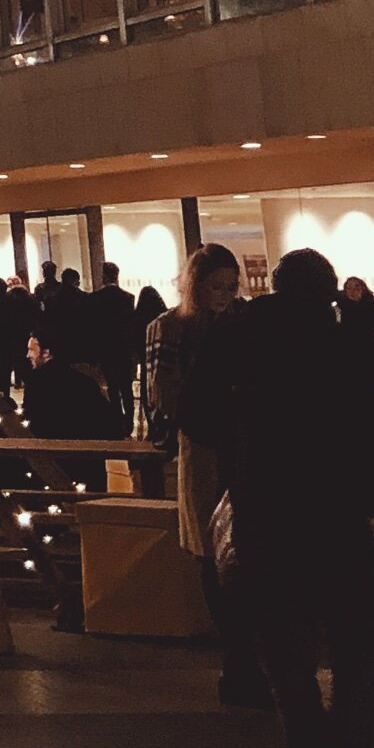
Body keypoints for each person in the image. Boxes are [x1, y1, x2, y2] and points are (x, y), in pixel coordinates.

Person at [184, 248, 374, 748]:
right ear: (329, 291)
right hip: (337, 515)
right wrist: (370, 491)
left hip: (266, 515)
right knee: (357, 643)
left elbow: (196, 416)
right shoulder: (344, 341)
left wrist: (242, 445)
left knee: (289, 658)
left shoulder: (239, 340)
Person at [144, 243, 260, 703]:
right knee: (212, 552)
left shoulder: (242, 323)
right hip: (203, 446)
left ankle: (241, 655)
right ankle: (237, 652)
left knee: (241, 550)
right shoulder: (170, 328)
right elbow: (163, 393)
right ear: (196, 284)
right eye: (217, 286)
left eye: (232, 287)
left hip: (241, 448)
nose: (225, 295)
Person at [22, 327, 119, 438]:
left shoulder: (36, 383)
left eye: (31, 350)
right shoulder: (84, 381)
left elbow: (35, 425)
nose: (28, 355)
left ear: (46, 353)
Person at [84, 263, 141, 431]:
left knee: (113, 388)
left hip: (106, 349)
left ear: (104, 276)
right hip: (123, 350)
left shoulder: (95, 298)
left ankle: (117, 420)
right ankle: (129, 421)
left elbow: (94, 328)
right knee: (126, 388)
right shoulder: (128, 297)